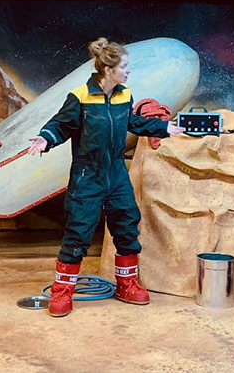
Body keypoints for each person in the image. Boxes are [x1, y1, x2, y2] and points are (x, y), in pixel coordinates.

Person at [27, 37, 185, 317]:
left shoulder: (124, 95)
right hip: (87, 176)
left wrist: (162, 127)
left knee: (126, 225)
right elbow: (60, 125)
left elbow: (132, 122)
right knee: (78, 232)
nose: (128, 71)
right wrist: (45, 138)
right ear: (108, 69)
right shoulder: (80, 97)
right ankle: (63, 292)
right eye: (124, 66)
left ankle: (127, 285)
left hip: (116, 173)